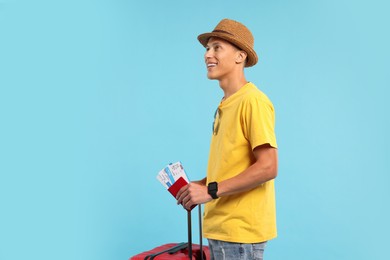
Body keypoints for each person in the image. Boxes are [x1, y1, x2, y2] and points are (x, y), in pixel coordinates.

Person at [176, 18, 278, 260]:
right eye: (207, 49)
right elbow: (233, 165)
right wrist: (200, 186)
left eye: (217, 47)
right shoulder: (226, 104)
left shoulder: (252, 101)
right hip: (223, 229)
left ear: (239, 56)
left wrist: (210, 191)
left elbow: (268, 166)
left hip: (239, 232)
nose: (207, 55)